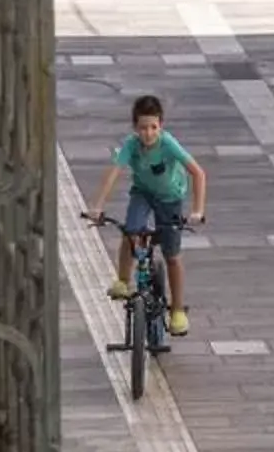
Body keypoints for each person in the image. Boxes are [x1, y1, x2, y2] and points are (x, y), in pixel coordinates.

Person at [89, 94, 207, 336]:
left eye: (153, 127)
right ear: (135, 128)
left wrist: (197, 210)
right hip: (142, 193)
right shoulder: (131, 145)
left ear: (161, 126)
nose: (148, 133)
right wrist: (97, 205)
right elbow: (114, 172)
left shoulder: (168, 144)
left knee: (172, 255)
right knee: (130, 231)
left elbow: (198, 173)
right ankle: (123, 280)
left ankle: (176, 310)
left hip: (170, 198)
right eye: (143, 128)